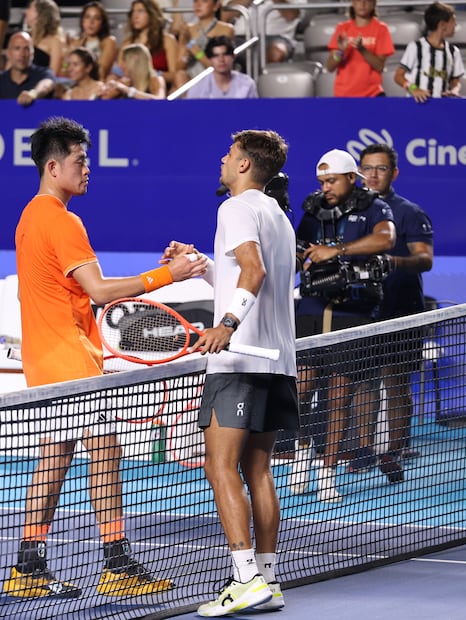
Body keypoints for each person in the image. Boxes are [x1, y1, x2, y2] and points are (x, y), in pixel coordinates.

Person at [7, 116, 207, 599]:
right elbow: (98, 291)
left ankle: (28, 566)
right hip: (69, 361)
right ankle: (116, 564)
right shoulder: (62, 219)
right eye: (79, 161)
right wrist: (169, 276)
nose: (87, 169)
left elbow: (77, 290)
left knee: (55, 457)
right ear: (53, 167)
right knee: (105, 451)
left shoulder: (30, 217)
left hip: (46, 358)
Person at [168, 130, 298, 616]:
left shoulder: (235, 207)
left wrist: (226, 323)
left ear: (244, 165)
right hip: (278, 362)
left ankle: (244, 580)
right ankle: (267, 578)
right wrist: (205, 267)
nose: (222, 161)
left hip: (240, 360)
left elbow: (253, 271)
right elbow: (248, 275)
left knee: (218, 466)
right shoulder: (277, 216)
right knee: (257, 468)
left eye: (228, 155)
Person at [291, 148, 396, 502]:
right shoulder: (311, 210)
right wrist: (296, 255)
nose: (326, 187)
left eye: (332, 180)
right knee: (300, 389)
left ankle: (327, 471)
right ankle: (303, 450)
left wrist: (336, 251)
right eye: (321, 181)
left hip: (352, 313)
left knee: (339, 394)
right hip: (310, 308)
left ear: (353, 178)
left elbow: (386, 239)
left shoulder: (374, 208)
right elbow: (295, 250)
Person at [358, 143, 434, 465]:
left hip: (401, 309)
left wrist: (392, 262)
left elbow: (425, 259)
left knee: (396, 378)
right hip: (361, 310)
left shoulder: (410, 212)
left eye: (381, 168)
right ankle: (363, 451)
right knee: (362, 379)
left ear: (394, 173)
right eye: (368, 168)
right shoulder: (350, 211)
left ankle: (396, 448)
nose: (373, 175)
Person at [394, 2, 465, 101]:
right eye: (453, 21)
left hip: (442, 107)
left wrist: (454, 90)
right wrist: (414, 89)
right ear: (442, 24)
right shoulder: (416, 47)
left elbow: (455, 80)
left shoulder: (453, 52)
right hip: (417, 105)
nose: (456, 25)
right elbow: (398, 76)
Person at [326, 0, 394, 97]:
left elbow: (379, 66)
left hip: (372, 94)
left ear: (373, 4)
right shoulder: (342, 28)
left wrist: (362, 49)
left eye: (367, 0)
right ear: (353, 3)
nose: (363, 4)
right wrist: (341, 52)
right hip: (344, 95)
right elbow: (330, 67)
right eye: (358, 0)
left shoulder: (381, 29)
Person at [118, 0, 182, 88]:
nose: (135, 16)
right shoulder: (128, 42)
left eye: (140, 11)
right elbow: (120, 70)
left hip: (158, 87)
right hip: (132, 88)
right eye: (133, 12)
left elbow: (174, 74)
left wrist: (151, 74)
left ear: (152, 14)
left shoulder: (167, 40)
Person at [175, 0, 235, 87]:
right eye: (195, 1)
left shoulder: (226, 29)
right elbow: (179, 67)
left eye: (204, 1)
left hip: (215, 78)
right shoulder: (187, 30)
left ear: (216, 6)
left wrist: (193, 48)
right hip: (191, 77)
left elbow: (218, 66)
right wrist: (186, 53)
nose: (198, 5)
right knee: (180, 75)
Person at [186, 35, 259, 98]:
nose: (221, 59)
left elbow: (254, 112)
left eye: (225, 54)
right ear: (209, 59)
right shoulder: (198, 88)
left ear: (233, 56)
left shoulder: (247, 84)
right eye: (216, 56)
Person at [67, 1, 118, 81]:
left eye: (96, 18)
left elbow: (101, 73)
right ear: (82, 20)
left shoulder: (108, 41)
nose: (91, 22)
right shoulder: (76, 41)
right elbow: (64, 69)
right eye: (87, 17)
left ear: (102, 22)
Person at [100, 43, 167, 99]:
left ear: (135, 60)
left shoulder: (156, 80)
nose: (121, 65)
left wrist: (127, 90)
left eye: (124, 61)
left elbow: (160, 102)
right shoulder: (126, 82)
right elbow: (104, 100)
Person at [24, 0, 67, 77]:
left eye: (30, 9)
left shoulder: (54, 41)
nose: (26, 12)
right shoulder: (24, 37)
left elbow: (53, 74)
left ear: (40, 14)